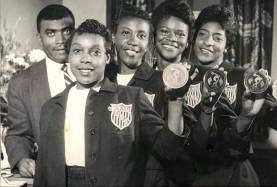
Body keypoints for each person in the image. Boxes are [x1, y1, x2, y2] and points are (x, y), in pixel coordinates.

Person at [33, 19, 187, 187]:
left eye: (95, 52)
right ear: (69, 56)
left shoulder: (131, 98)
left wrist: (175, 100)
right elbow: (42, 174)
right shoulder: (51, 108)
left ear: (107, 57)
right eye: (77, 51)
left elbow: (169, 149)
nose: (85, 59)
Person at [181, 4, 277, 186]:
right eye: (202, 34)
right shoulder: (181, 77)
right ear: (194, 37)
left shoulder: (244, 78)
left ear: (227, 46)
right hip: (190, 175)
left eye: (217, 37)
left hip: (233, 175)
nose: (208, 42)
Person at [4, 4, 75, 177]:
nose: (61, 40)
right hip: (51, 175)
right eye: (51, 33)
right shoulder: (22, 83)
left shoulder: (98, 70)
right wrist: (21, 160)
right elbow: (19, 134)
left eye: (66, 31)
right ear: (39, 37)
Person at [151, 0, 195, 70]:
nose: (172, 38)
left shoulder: (199, 78)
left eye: (180, 34)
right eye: (165, 31)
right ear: (154, 35)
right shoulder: (139, 76)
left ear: (187, 41)